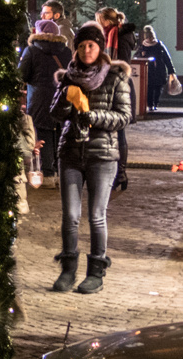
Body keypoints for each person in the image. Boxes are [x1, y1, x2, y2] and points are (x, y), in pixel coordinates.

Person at [48, 23, 132, 295]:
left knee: (96, 216)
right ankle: (67, 270)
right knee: (70, 216)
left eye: (91, 45)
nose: (86, 50)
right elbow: (55, 114)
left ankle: (96, 272)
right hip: (70, 153)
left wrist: (94, 117)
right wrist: (64, 98)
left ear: (100, 48)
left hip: (102, 154)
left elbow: (124, 117)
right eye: (82, 45)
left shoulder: (115, 78)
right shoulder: (68, 77)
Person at [19, 20, 71, 184]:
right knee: (59, 132)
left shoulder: (32, 50)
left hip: (39, 98)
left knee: (43, 133)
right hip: (62, 97)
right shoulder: (66, 51)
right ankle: (59, 171)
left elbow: (22, 75)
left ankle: (48, 173)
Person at [137, 26, 176, 112]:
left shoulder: (159, 45)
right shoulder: (143, 46)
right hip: (148, 70)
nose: (150, 39)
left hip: (159, 69)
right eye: (148, 37)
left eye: (150, 36)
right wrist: (142, 55)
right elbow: (136, 57)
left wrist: (171, 70)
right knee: (149, 88)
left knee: (158, 87)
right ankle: (150, 104)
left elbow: (166, 58)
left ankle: (155, 103)